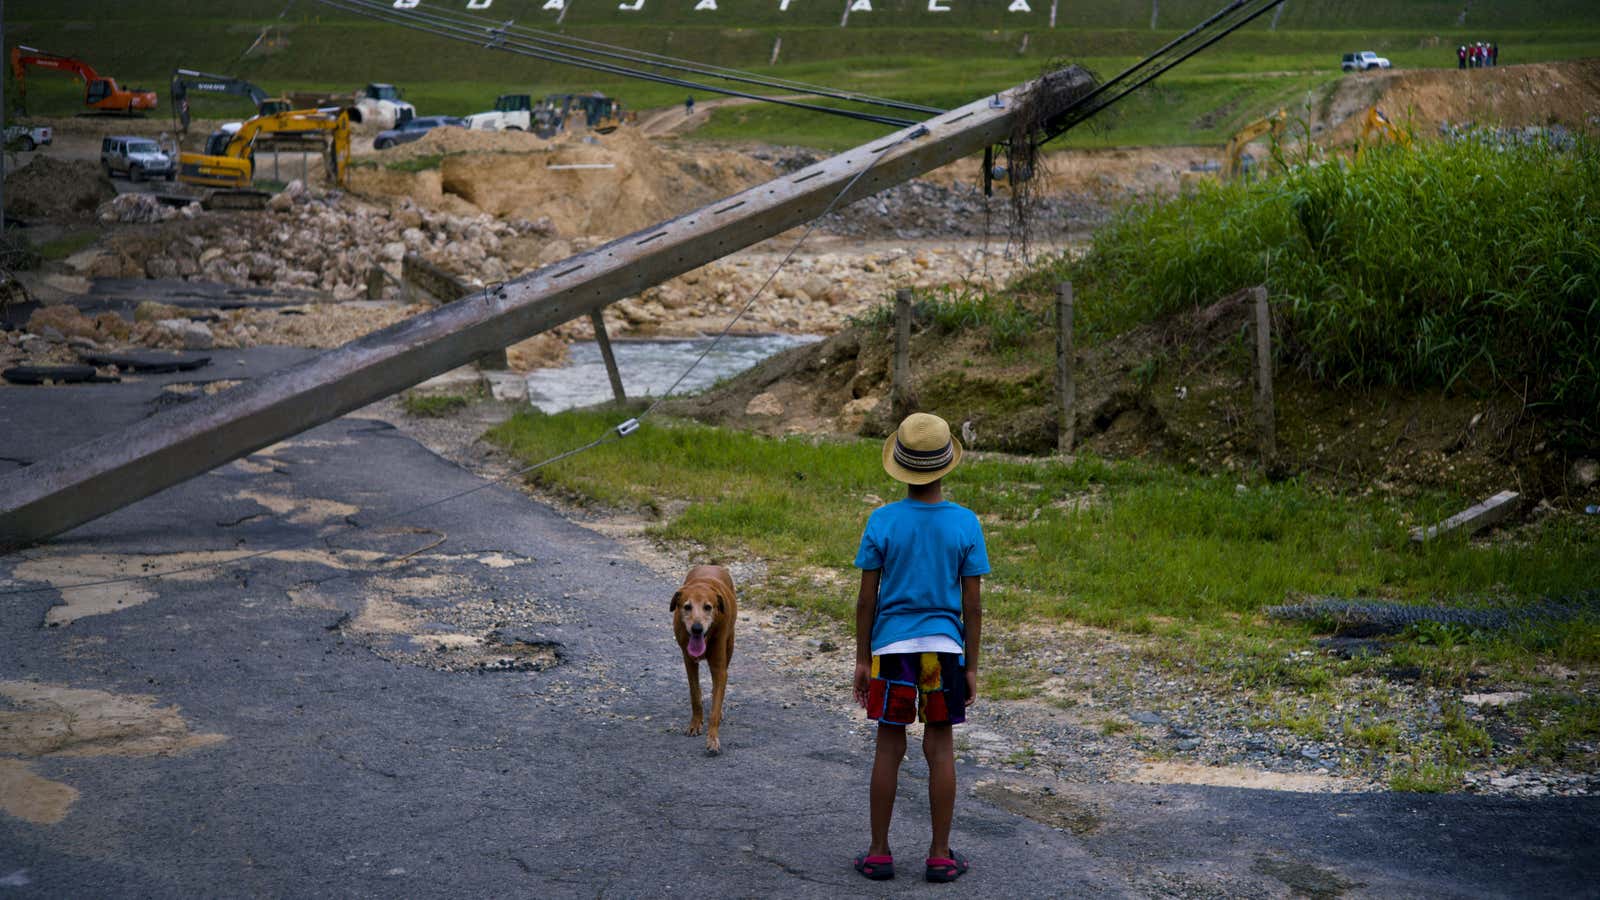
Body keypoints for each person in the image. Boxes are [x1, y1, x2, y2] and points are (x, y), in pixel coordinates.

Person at [851, 412, 988, 884]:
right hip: (945, 652)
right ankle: (939, 855)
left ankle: (878, 853)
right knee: (940, 749)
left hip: (891, 651)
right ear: (946, 465)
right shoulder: (965, 524)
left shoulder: (882, 521)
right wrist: (971, 665)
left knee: (889, 750)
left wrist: (860, 659)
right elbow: (972, 607)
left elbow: (867, 599)